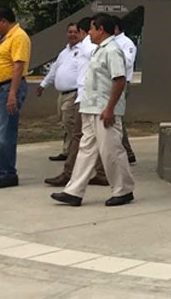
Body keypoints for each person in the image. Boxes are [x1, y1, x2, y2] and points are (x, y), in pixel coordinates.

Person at [50, 14, 135, 207]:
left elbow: (119, 80)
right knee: (86, 150)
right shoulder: (99, 50)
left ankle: (124, 189)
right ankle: (74, 191)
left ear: (101, 30)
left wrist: (110, 108)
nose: (89, 33)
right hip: (91, 107)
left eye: (91, 29)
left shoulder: (112, 50)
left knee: (111, 150)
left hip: (103, 109)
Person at [46, 17, 109, 188]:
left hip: (86, 99)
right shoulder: (80, 49)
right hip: (85, 98)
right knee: (93, 139)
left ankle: (70, 175)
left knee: (80, 137)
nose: (89, 33)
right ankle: (102, 174)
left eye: (90, 30)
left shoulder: (90, 47)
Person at [0, 6, 31, 189]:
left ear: (3, 21)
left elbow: (18, 66)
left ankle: (8, 173)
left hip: (9, 88)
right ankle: (0, 165)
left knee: (4, 132)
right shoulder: (4, 37)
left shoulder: (18, 36)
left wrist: (12, 94)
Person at [37, 23, 82, 164]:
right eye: (70, 32)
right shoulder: (64, 52)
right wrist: (43, 85)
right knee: (64, 122)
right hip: (62, 94)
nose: (72, 34)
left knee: (70, 122)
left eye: (75, 32)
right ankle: (67, 151)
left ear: (81, 33)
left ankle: (77, 151)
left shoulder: (83, 51)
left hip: (74, 93)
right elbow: (54, 70)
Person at [112, 23, 138, 163]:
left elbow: (128, 62)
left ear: (116, 28)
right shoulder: (111, 43)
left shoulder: (126, 43)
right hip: (110, 82)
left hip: (121, 82)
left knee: (117, 118)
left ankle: (127, 152)